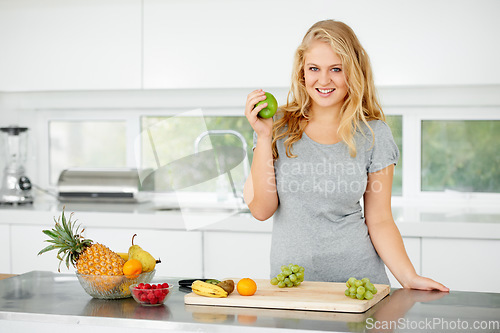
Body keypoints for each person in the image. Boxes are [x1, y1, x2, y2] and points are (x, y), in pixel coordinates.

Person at [243, 19, 448, 291]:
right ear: (302, 72)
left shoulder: (374, 134)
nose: (324, 80)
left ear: (353, 72)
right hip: (291, 288)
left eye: (336, 69)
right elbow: (261, 210)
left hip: (357, 286)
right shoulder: (276, 126)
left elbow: (380, 219)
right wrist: (264, 136)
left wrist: (409, 277)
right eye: (314, 68)